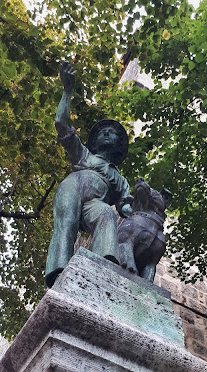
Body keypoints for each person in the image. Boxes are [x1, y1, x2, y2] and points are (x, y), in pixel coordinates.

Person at [45, 62, 133, 288]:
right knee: (67, 222)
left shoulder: (119, 178)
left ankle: (105, 268)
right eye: (104, 131)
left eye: (112, 132)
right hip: (73, 187)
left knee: (106, 213)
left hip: (95, 202)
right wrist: (67, 91)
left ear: (119, 143)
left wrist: (132, 210)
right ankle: (58, 273)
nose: (106, 133)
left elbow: (124, 206)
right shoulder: (84, 155)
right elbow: (61, 125)